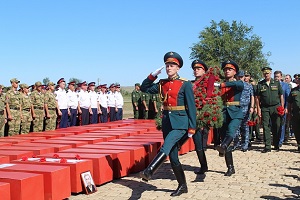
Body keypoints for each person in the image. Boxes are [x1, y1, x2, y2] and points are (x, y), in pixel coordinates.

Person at [139, 51, 196, 196]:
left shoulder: (185, 84)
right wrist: (153, 75)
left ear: (178, 68)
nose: (169, 68)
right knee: (173, 155)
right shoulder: (162, 83)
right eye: (167, 65)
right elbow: (144, 88)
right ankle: (183, 185)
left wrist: (192, 127)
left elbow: (191, 106)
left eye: (172, 65)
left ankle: (150, 170)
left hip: (180, 123)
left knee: (167, 145)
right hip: (167, 122)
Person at [215, 60, 244, 176]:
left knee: (231, 132)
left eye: (230, 69)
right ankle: (230, 167)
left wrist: (221, 85)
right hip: (223, 113)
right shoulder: (221, 84)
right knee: (225, 140)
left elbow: (236, 85)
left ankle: (223, 147)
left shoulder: (238, 83)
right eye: (226, 69)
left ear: (235, 72)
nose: (227, 71)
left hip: (236, 113)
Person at [255, 67, 284, 152]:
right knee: (265, 126)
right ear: (263, 74)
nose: (266, 74)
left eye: (267, 73)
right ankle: (267, 146)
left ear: (270, 73)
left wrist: (281, 107)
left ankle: (276, 144)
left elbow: (281, 95)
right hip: (265, 107)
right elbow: (257, 98)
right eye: (264, 73)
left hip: (276, 107)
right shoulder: (260, 84)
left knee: (277, 125)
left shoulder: (276, 83)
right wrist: (258, 109)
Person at [232, 70, 254, 152]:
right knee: (236, 127)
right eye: (239, 77)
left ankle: (245, 145)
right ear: (236, 77)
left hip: (246, 108)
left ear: (244, 77)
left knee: (245, 127)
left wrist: (252, 107)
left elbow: (252, 97)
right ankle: (236, 144)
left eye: (242, 77)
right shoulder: (234, 86)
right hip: (236, 109)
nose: (240, 78)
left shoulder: (248, 86)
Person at [287, 75, 300, 152]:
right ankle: (299, 144)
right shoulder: (294, 90)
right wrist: (288, 112)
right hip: (295, 113)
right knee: (296, 129)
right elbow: (289, 102)